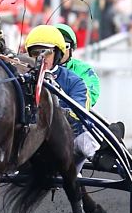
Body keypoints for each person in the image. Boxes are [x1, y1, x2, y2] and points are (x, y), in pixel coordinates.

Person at [25, 25, 98, 171]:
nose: (40, 57)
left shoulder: (76, 79)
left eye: (46, 52)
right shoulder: (22, 77)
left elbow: (81, 109)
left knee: (86, 132)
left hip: (68, 138)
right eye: (35, 52)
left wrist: (57, 113)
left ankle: (99, 155)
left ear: (59, 52)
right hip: (33, 140)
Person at [55, 23, 100, 106]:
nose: (59, 50)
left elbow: (89, 97)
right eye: (55, 46)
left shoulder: (84, 70)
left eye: (65, 46)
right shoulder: (33, 67)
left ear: (72, 49)